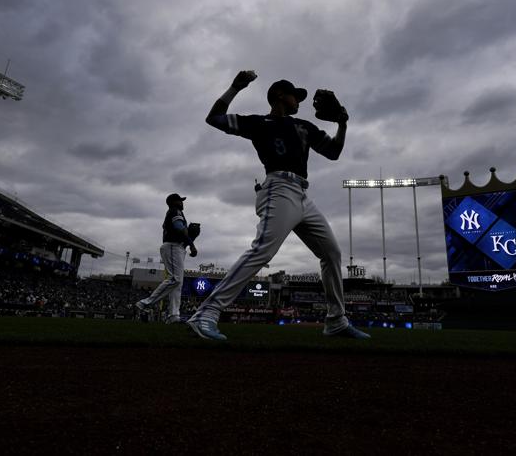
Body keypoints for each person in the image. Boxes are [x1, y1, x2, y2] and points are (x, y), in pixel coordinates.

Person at [186, 70, 369, 341]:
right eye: (296, 95)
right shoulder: (260, 123)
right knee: (262, 251)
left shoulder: (304, 125)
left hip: (302, 194)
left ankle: (336, 320)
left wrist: (343, 124)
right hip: (278, 189)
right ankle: (206, 313)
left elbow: (334, 152)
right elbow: (214, 118)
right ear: (280, 95)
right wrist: (235, 88)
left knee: (331, 253)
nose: (299, 101)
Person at [135, 193, 198, 323]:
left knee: (178, 283)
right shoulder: (175, 211)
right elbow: (180, 229)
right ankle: (145, 303)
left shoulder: (174, 212)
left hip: (176, 247)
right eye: (180, 200)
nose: (182, 202)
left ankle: (174, 315)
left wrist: (191, 239)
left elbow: (180, 232)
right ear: (174, 202)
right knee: (175, 279)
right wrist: (192, 244)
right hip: (172, 247)